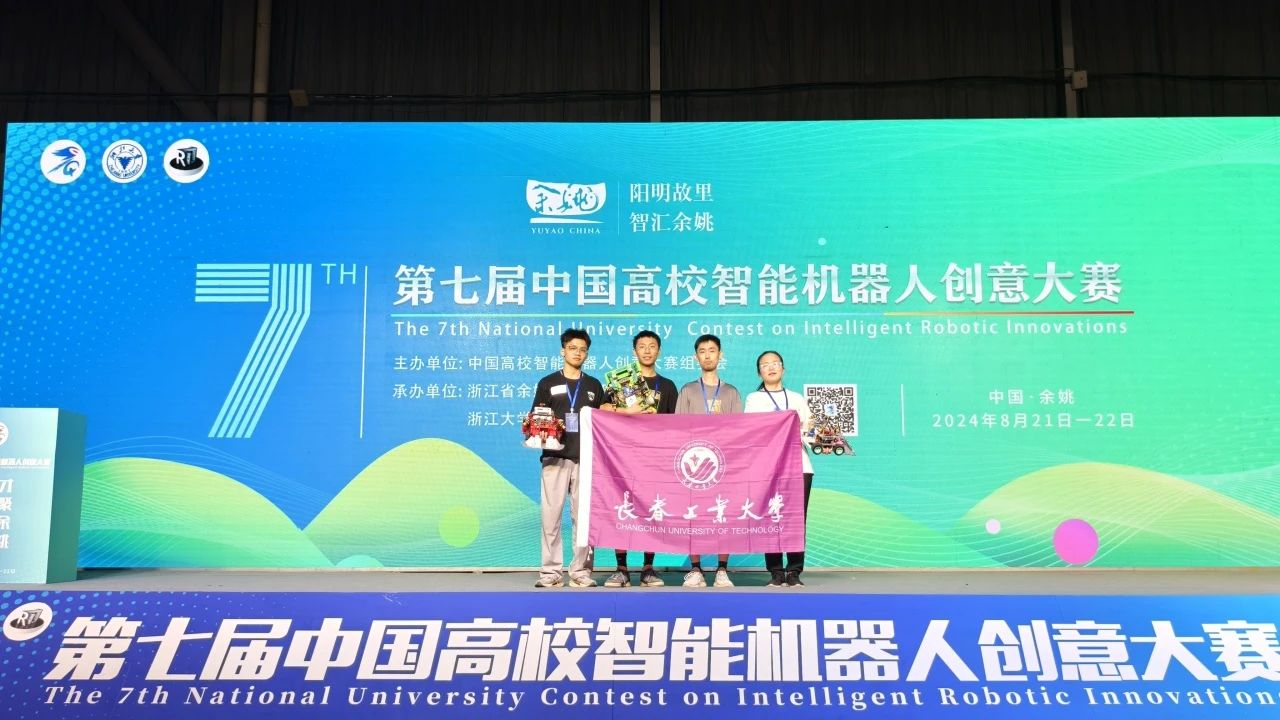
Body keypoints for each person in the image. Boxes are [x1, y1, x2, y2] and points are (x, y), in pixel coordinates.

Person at [530, 329, 607, 588]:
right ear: (563, 350)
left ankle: (581, 571)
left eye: (583, 349)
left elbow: (604, 421)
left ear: (587, 354)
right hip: (554, 458)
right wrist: (540, 431)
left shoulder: (594, 385)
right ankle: (550, 572)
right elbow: (537, 418)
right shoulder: (547, 383)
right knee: (550, 517)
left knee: (583, 519)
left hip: (586, 460)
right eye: (573, 348)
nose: (578, 353)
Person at [603, 330, 679, 588]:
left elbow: (675, 424)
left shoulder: (667, 386)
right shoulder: (621, 380)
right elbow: (602, 409)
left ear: (659, 351)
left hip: (655, 458)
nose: (647, 350)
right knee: (621, 509)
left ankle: (648, 568)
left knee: (652, 510)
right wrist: (627, 410)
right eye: (642, 346)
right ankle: (621, 569)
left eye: (652, 346)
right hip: (622, 456)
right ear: (634, 351)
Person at [674, 334, 742, 588]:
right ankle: (696, 569)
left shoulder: (731, 392)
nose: (707, 355)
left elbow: (740, 431)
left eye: (712, 350)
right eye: (702, 351)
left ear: (720, 355)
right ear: (696, 357)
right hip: (693, 465)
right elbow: (678, 429)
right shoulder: (688, 390)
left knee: (723, 515)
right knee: (694, 516)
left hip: (723, 465)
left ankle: (722, 569)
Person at [744, 350, 814, 587]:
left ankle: (794, 571)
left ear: (783, 369)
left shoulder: (797, 398)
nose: (771, 367)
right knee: (770, 517)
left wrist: (815, 436)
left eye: (776, 363)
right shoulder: (754, 399)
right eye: (765, 364)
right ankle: (775, 571)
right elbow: (753, 431)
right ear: (759, 372)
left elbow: (809, 429)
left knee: (797, 519)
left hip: (799, 465)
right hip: (769, 468)